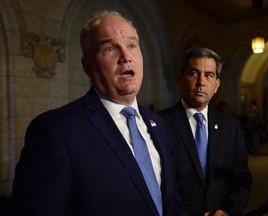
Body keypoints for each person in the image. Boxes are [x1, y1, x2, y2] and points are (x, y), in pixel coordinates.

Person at [11, 10, 187, 216]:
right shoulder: (55, 131)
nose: (126, 57)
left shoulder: (158, 123)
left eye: (132, 45)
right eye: (110, 48)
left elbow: (171, 198)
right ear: (88, 66)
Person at [159, 47, 252, 216]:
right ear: (180, 79)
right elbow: (158, 184)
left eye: (209, 75)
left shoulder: (231, 127)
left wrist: (227, 211)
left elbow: (242, 179)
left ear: (216, 85)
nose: (201, 82)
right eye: (194, 73)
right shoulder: (160, 124)